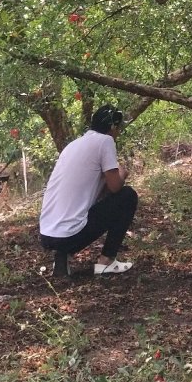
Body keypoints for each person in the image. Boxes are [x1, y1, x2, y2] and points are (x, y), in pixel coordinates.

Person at [39, 103, 138, 277]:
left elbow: (96, 192)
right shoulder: (105, 141)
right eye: (118, 128)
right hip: (70, 235)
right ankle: (106, 261)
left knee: (82, 208)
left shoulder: (74, 145)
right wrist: (122, 173)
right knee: (128, 196)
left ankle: (61, 255)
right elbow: (115, 187)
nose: (118, 133)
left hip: (46, 234)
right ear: (113, 127)